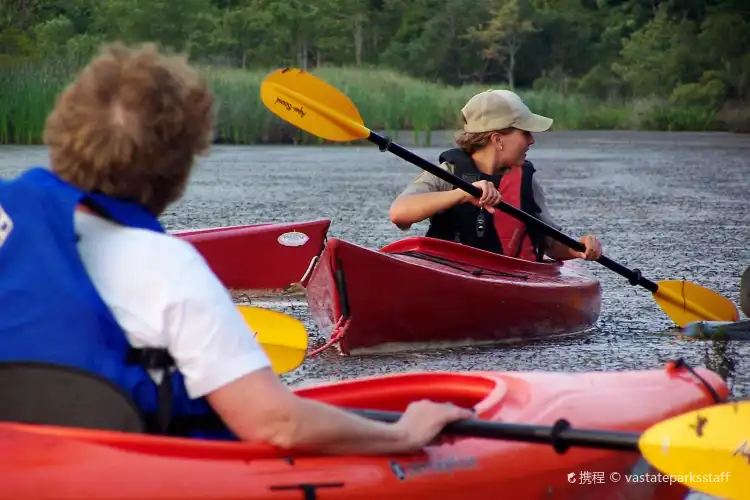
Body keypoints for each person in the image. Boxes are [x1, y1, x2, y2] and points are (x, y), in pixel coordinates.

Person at [0, 42, 473, 453]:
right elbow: (277, 424)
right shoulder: (166, 266)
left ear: (62, 132)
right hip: (112, 467)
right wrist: (404, 434)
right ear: (179, 168)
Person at [389, 89, 603, 262]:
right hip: (452, 274)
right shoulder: (448, 173)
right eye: (525, 133)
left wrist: (579, 248)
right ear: (497, 139)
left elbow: (551, 244)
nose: (532, 141)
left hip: (511, 280)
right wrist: (461, 195)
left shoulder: (526, 182)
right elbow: (399, 215)